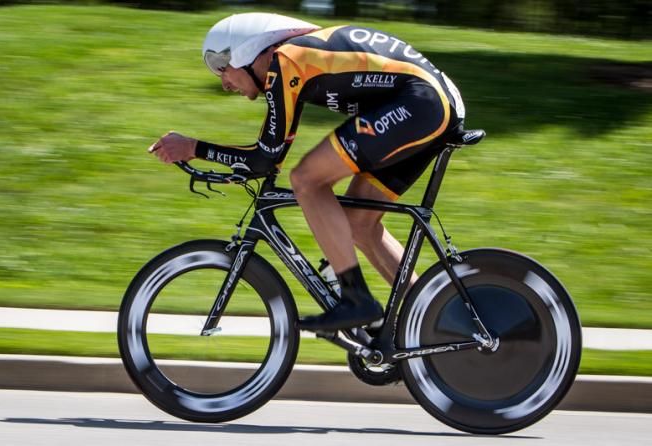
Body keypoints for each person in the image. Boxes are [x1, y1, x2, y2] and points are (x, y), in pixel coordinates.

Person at [149, 12, 466, 332]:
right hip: (428, 104)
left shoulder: (287, 60)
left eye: (221, 65)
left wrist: (195, 148)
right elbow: (268, 155)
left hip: (422, 102)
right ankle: (438, 325)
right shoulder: (296, 65)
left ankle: (356, 299)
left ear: (245, 50)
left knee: (307, 179)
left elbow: (264, 161)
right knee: (358, 224)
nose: (223, 81)